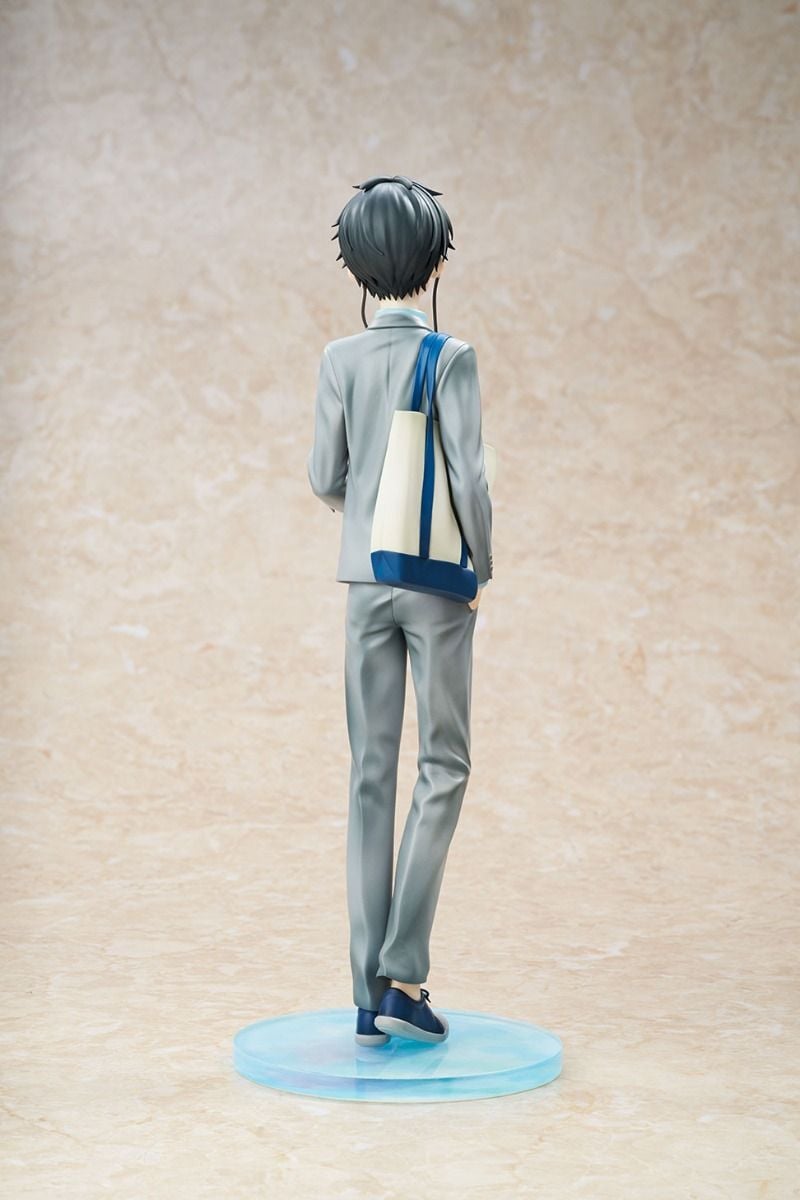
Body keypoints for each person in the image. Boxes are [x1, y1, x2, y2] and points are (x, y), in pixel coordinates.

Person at [307, 175, 493, 1046]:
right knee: (444, 764)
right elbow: (470, 476)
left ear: (356, 267)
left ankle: (363, 991)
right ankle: (403, 970)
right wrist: (480, 564)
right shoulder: (452, 356)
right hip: (436, 583)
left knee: (369, 774)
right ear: (434, 265)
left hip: (362, 584)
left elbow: (323, 476)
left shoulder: (338, 360)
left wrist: (365, 511)